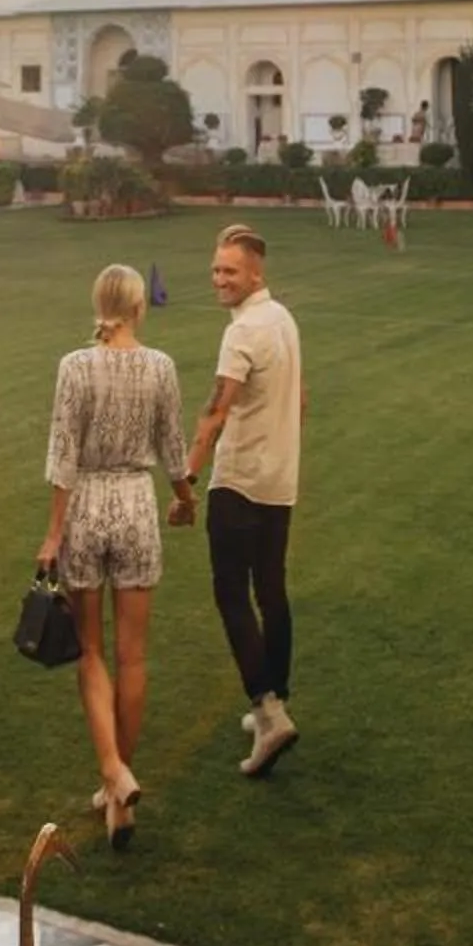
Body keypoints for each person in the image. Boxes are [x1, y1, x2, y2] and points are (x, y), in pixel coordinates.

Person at [37, 263, 195, 851]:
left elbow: (63, 455)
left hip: (86, 508)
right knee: (133, 657)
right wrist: (185, 501)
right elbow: (174, 449)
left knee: (92, 652)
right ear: (138, 308)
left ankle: (111, 772)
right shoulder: (161, 367)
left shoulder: (74, 368)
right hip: (135, 505)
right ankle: (117, 788)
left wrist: (54, 534)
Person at [187, 224, 304, 777]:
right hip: (280, 480)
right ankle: (274, 701)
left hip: (238, 483)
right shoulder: (282, 319)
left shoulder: (241, 335)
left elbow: (215, 410)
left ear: (255, 272)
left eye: (229, 271)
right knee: (271, 591)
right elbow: (301, 399)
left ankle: (268, 709)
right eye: (215, 270)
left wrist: (186, 473)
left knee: (231, 594)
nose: (219, 280)